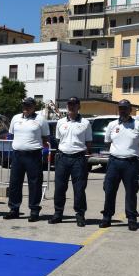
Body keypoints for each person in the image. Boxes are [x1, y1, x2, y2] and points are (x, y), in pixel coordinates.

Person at [100, 99, 139, 231]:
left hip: (130, 163)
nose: (122, 110)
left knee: (131, 192)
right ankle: (107, 217)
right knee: (109, 190)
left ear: (130, 109)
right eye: (120, 108)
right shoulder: (112, 125)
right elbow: (108, 142)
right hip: (114, 162)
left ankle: (132, 219)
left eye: (125, 108)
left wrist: (131, 153)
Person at [5, 96, 50, 222]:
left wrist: (45, 153)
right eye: (24, 105)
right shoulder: (15, 118)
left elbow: (46, 139)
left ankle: (34, 210)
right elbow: (11, 135)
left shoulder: (41, 120)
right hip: (18, 155)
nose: (25, 108)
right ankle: (14, 209)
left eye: (28, 105)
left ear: (34, 107)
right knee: (14, 183)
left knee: (35, 184)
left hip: (33, 155)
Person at [50, 97, 92, 227]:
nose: (71, 107)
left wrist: (81, 153)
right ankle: (58, 214)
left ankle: (80, 215)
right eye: (69, 105)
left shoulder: (85, 123)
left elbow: (88, 142)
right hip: (62, 158)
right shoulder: (60, 122)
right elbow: (58, 139)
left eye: (74, 105)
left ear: (79, 107)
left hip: (78, 159)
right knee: (59, 188)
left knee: (79, 189)